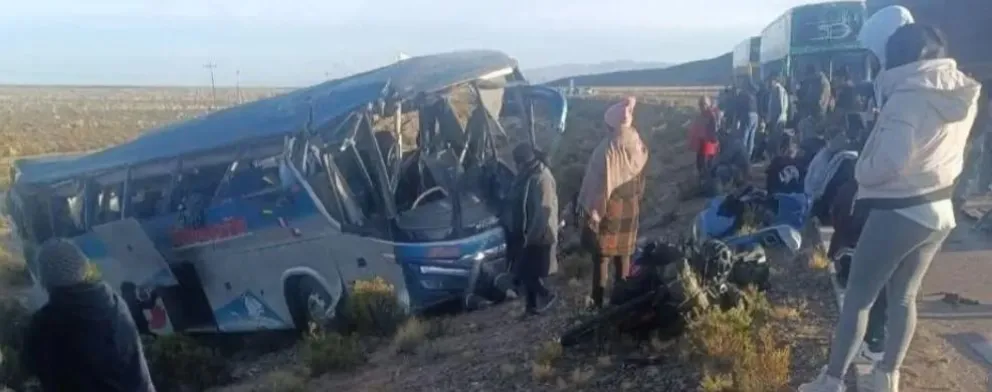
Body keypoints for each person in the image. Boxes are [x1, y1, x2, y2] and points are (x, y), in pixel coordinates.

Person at [800, 23, 981, 392]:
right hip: (938, 209)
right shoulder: (959, 91)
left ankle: (831, 381)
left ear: (901, 57)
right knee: (903, 297)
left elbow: (892, 162)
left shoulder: (909, 95)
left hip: (899, 208)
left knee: (858, 297)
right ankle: (887, 376)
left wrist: (862, 170)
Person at [21, 238, 157, 392]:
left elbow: (30, 367)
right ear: (83, 266)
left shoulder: (45, 323)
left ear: (45, 280)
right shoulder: (114, 302)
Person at [577, 96, 649, 308]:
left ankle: (598, 304)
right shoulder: (637, 140)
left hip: (610, 208)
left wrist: (592, 214)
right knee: (624, 255)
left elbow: (596, 185)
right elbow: (642, 172)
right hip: (631, 205)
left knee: (602, 258)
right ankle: (622, 301)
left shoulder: (606, 148)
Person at [507, 143, 559, 316]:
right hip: (527, 230)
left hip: (539, 232)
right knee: (528, 270)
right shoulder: (527, 175)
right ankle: (531, 307)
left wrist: (532, 235)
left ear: (523, 162)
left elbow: (543, 209)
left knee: (526, 271)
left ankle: (547, 295)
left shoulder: (541, 178)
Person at [688, 96, 720, 180]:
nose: (701, 107)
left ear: (707, 105)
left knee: (707, 164)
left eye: (702, 105)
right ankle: (703, 178)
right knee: (701, 162)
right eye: (700, 105)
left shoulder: (711, 114)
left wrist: (711, 139)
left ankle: (707, 180)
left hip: (709, 142)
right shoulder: (705, 113)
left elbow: (715, 129)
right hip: (703, 141)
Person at [767, 76, 790, 158]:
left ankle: (777, 158)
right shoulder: (780, 89)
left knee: (775, 141)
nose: (768, 83)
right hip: (780, 118)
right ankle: (775, 157)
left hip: (778, 119)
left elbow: (780, 106)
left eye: (769, 81)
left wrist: (775, 120)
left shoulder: (777, 89)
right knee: (776, 140)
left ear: (774, 80)